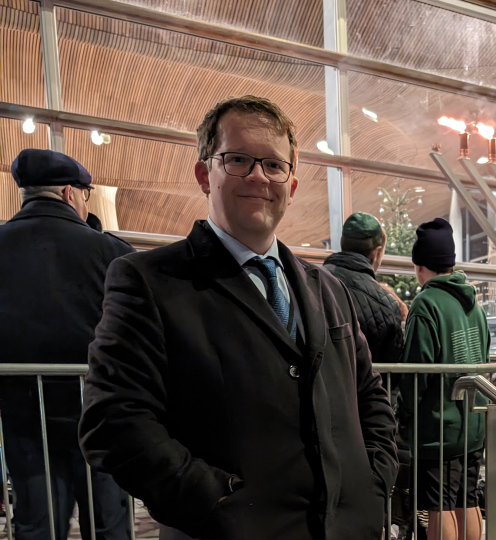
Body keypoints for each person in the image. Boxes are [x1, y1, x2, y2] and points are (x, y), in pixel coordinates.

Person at [79, 96, 398, 540]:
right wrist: (214, 503)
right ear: (203, 175)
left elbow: (368, 395)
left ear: (292, 183)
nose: (258, 177)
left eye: (273, 165)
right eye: (238, 160)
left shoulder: (327, 289)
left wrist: (373, 482)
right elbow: (114, 420)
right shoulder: (149, 281)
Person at [0, 149, 134, 540]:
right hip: (100, 416)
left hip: (25, 417)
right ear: (71, 194)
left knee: (37, 524)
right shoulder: (113, 254)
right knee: (109, 524)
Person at [399, 218, 490, 540]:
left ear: (419, 265)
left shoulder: (427, 304)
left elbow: (416, 372)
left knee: (439, 506)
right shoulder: (474, 306)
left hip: (438, 429)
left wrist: (404, 416)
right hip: (472, 424)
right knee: (467, 499)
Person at [323, 212, 404, 368]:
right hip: (364, 391)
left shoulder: (311, 281)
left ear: (342, 242)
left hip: (318, 390)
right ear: (376, 253)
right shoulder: (386, 304)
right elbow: (392, 372)